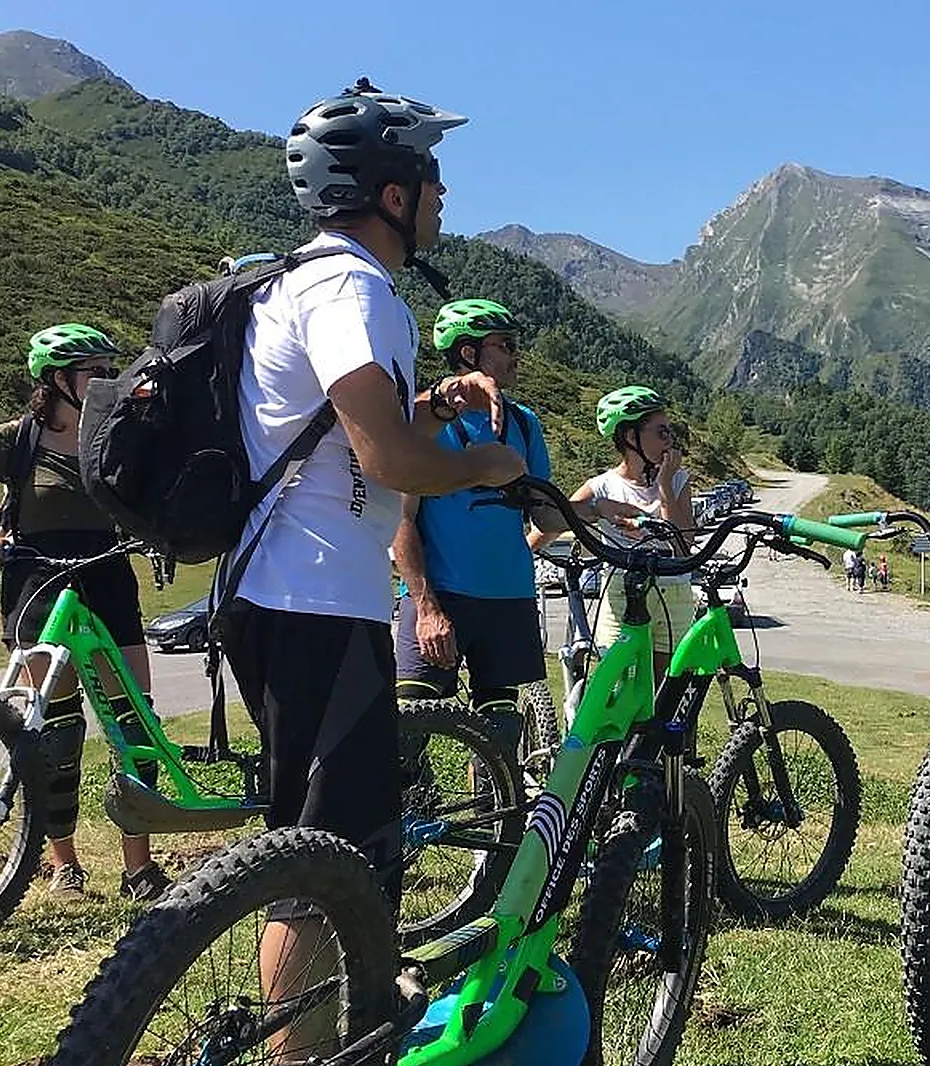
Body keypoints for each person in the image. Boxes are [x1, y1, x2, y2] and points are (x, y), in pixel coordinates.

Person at [219, 79, 525, 1057]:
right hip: (309, 597)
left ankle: (336, 1029)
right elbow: (386, 463)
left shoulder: (318, 281)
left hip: (303, 591)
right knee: (322, 859)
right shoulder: (351, 289)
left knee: (335, 842)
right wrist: (486, 463)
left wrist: (432, 404)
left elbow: (350, 434)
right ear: (392, 195)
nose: (443, 195)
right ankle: (300, 1051)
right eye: (431, 178)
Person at [0, 324, 171, 902]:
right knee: (56, 733)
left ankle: (139, 867)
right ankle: (62, 864)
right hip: (38, 583)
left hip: (107, 579)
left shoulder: (114, 433)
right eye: (94, 371)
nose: (106, 379)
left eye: (110, 369)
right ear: (57, 379)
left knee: (136, 724)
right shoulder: (13, 441)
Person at [393, 300, 566, 723]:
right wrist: (426, 607)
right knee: (409, 724)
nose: (516, 356)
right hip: (441, 595)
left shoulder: (524, 423)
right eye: (505, 345)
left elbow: (545, 515)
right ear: (469, 353)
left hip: (509, 595)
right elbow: (401, 519)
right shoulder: (427, 421)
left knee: (500, 731)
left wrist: (597, 509)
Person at [530, 386, 692, 684]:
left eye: (670, 432)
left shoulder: (677, 479)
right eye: (661, 432)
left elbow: (683, 545)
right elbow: (552, 523)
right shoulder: (602, 486)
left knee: (668, 694)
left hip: (675, 596)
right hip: (622, 596)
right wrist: (517, 556)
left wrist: (665, 486)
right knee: (618, 688)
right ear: (631, 437)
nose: (670, 440)